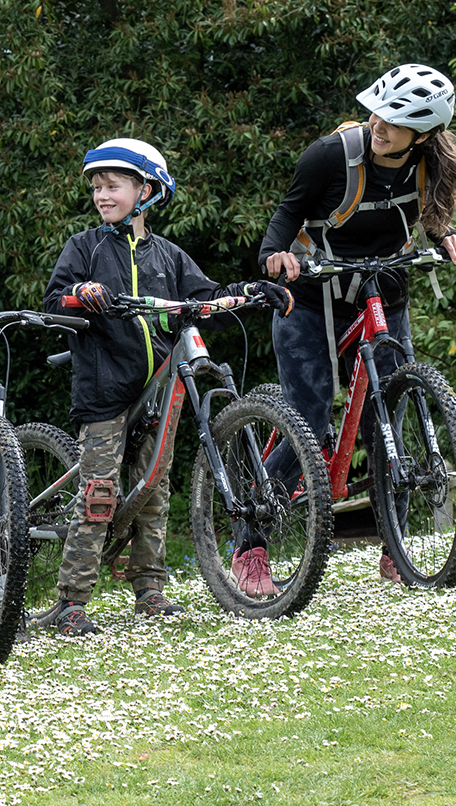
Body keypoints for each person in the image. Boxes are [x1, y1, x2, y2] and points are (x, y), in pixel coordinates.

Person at [41, 138, 292, 636]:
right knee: (99, 490)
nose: (102, 194)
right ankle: (70, 601)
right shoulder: (85, 248)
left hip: (160, 387)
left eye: (113, 185)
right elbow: (54, 301)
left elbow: (207, 299)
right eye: (97, 186)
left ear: (147, 190)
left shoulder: (169, 257)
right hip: (105, 387)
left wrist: (250, 290)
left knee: (155, 486)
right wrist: (80, 294)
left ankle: (149, 589)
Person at [242, 64, 456, 594]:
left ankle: (394, 544)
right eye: (379, 112)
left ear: (424, 135)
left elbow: (434, 220)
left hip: (381, 291)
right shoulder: (331, 155)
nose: (379, 125)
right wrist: (275, 256)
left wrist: (449, 239)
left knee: (388, 413)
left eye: (394, 122)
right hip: (310, 297)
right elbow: (287, 213)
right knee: (311, 417)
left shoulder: (432, 165)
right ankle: (249, 543)